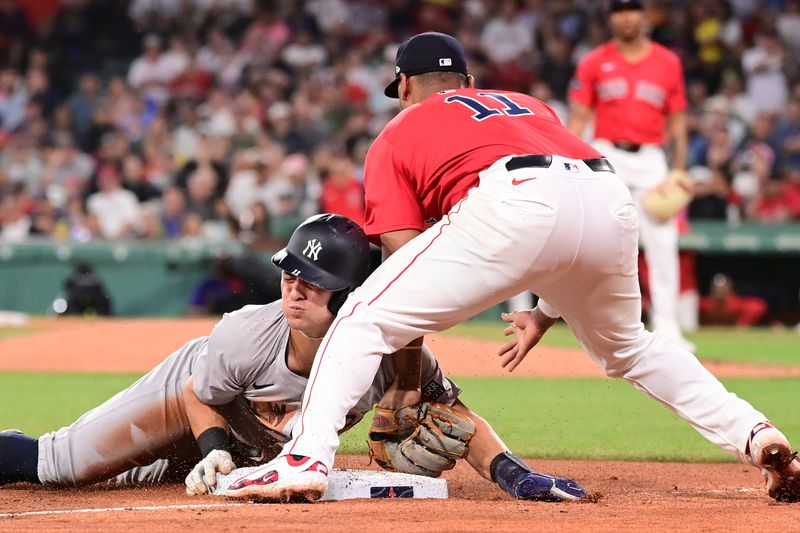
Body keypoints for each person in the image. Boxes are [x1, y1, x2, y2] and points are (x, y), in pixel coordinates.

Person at [230, 31, 800, 504]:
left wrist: (407, 382)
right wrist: (547, 311)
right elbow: (568, 219)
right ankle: (756, 434)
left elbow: (401, 255)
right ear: (471, 85)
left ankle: (304, 458)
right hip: (609, 195)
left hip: (513, 199)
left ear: (403, 87)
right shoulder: (530, 105)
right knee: (630, 348)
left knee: (359, 318)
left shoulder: (398, 131)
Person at [0, 214, 585, 502]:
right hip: (195, 398)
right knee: (65, 467)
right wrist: (212, 449)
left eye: (315, 280)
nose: (295, 289)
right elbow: (199, 396)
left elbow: (456, 417)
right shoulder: (248, 333)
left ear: (353, 295)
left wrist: (514, 473)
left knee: (147, 479)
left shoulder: (390, 350)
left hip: (245, 441)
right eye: (291, 273)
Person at [566, 0, 696, 352]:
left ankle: (668, 327)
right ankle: (599, 323)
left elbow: (678, 120)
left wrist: (680, 168)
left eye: (633, 9)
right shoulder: (595, 61)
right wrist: (565, 158)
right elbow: (580, 114)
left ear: (645, 15)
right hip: (608, 154)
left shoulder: (667, 62)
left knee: (663, 243)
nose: (627, 16)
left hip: (652, 158)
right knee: (601, 241)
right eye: (619, 10)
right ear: (610, 18)